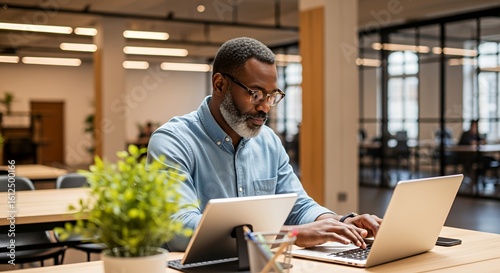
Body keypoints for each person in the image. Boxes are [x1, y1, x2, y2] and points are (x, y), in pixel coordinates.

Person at [147, 37, 382, 252]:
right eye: (255, 94)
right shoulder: (174, 141)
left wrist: (337, 222)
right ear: (220, 85)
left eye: (271, 96)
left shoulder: (268, 141)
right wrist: (289, 235)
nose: (266, 107)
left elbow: (297, 206)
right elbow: (179, 229)